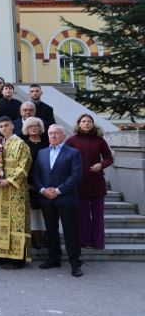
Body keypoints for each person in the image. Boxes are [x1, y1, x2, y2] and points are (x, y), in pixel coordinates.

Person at [32, 124, 84, 277]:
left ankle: (75, 263)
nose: (53, 136)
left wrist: (58, 190)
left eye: (56, 133)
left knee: (70, 232)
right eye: (50, 133)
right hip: (47, 199)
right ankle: (54, 258)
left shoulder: (73, 153)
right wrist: (42, 190)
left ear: (63, 136)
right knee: (51, 230)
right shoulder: (42, 153)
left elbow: (76, 176)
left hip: (66, 198)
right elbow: (36, 175)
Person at [0, 117, 32, 269]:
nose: (3, 128)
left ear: (12, 126)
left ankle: (18, 257)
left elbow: (25, 165)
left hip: (15, 188)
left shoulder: (21, 144)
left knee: (16, 220)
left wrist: (11, 180)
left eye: (6, 125)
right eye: (1, 126)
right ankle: (0, 254)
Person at [65, 114, 114, 250]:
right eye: (83, 121)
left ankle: (98, 243)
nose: (86, 123)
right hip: (79, 183)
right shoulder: (71, 140)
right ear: (79, 124)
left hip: (97, 182)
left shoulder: (99, 140)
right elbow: (65, 159)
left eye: (89, 121)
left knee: (98, 215)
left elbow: (109, 158)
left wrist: (101, 164)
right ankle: (84, 241)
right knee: (83, 216)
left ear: (93, 124)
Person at [22, 117, 49, 249]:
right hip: (29, 181)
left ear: (40, 128)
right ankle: (35, 236)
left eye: (36, 126)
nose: (33, 128)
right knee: (33, 210)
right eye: (30, 126)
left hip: (46, 181)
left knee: (46, 209)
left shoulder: (47, 142)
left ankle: (46, 236)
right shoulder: (23, 143)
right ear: (26, 128)